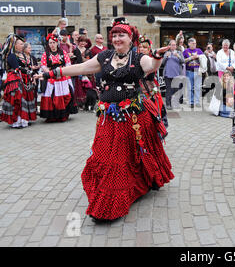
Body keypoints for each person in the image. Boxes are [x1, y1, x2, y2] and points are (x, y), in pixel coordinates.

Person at [36, 17, 174, 222]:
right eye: (115, 35)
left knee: (127, 156)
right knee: (106, 155)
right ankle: (112, 194)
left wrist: (157, 56)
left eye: (122, 35)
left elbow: (151, 66)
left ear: (131, 38)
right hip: (109, 117)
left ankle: (115, 201)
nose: (117, 38)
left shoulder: (137, 58)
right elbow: (81, 68)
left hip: (133, 116)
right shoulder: (105, 56)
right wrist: (53, 73)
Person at [0, 34, 37, 128]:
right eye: (20, 44)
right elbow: (17, 68)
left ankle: (23, 119)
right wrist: (30, 72)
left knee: (23, 98)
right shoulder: (12, 56)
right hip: (14, 79)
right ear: (15, 45)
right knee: (17, 98)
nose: (22, 46)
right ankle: (17, 121)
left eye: (22, 44)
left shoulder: (19, 55)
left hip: (21, 78)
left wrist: (30, 72)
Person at [39, 33, 77, 122]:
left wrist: (62, 71)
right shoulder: (46, 54)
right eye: (50, 43)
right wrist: (50, 73)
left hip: (63, 77)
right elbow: (43, 66)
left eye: (53, 43)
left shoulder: (63, 53)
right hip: (51, 78)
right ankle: (53, 116)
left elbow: (68, 64)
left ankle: (63, 114)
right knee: (52, 97)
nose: (52, 45)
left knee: (65, 95)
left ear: (57, 43)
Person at [138, 35, 169, 128]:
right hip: (138, 94)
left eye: (144, 47)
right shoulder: (134, 59)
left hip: (151, 93)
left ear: (149, 49)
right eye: (140, 47)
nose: (142, 49)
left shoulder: (152, 60)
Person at [161, 39, 184, 110]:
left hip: (176, 74)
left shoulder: (179, 53)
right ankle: (168, 104)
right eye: (172, 45)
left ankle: (174, 103)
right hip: (168, 74)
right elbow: (162, 63)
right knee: (168, 89)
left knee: (176, 89)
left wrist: (178, 56)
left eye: (174, 45)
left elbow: (183, 61)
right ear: (169, 46)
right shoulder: (166, 53)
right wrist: (166, 57)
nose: (173, 46)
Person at [183, 38, 204, 108]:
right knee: (190, 88)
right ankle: (191, 102)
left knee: (198, 87)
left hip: (198, 71)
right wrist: (191, 58)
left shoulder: (199, 50)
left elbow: (204, 58)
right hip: (189, 71)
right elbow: (182, 61)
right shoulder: (186, 51)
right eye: (193, 43)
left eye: (195, 43)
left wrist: (198, 56)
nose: (194, 45)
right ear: (189, 43)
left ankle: (197, 101)